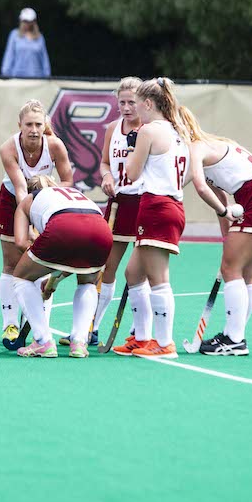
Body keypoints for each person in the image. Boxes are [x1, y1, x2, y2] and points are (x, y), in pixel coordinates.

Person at [112, 78, 242, 358]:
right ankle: (143, 337)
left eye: (137, 105)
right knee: (133, 273)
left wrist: (136, 149)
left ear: (148, 104)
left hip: (156, 206)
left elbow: (132, 175)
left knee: (158, 278)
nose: (135, 112)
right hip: (167, 205)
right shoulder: (178, 131)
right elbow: (182, 176)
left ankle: (164, 342)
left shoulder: (149, 131)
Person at [181, 107, 252, 356]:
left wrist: (223, 215)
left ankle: (234, 339)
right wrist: (227, 238)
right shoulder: (214, 144)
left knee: (232, 270)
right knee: (248, 272)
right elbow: (221, 199)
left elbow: (199, 186)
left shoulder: (197, 148)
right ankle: (233, 334)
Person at [58, 76, 142, 347]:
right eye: (123, 102)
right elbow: (105, 162)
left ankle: (140, 329)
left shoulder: (151, 129)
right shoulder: (112, 128)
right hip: (117, 202)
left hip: (143, 203)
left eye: (132, 102)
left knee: (145, 270)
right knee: (105, 267)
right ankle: (92, 326)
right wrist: (105, 176)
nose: (127, 107)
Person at [0, 99, 73, 349]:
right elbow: (19, 187)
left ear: (45, 124)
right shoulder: (9, 147)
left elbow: (68, 181)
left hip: (46, 200)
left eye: (39, 124)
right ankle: (10, 324)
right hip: (13, 200)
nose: (34, 129)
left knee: (44, 266)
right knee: (10, 263)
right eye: (29, 124)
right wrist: (28, 220)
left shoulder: (55, 146)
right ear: (20, 125)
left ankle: (43, 326)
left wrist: (46, 207)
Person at [11, 177, 113, 358]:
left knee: (21, 277)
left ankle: (43, 341)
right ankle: (79, 343)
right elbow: (71, 258)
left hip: (62, 227)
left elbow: (21, 243)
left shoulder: (28, 200)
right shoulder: (74, 193)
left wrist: (43, 266)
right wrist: (53, 280)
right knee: (88, 280)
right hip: (100, 230)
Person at [0, 7, 51, 78]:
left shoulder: (40, 37)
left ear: (34, 21)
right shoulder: (14, 35)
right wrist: (6, 73)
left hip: (37, 79)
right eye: (25, 20)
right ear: (21, 20)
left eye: (29, 20)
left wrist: (47, 75)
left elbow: (44, 59)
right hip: (17, 79)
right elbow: (9, 55)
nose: (27, 23)